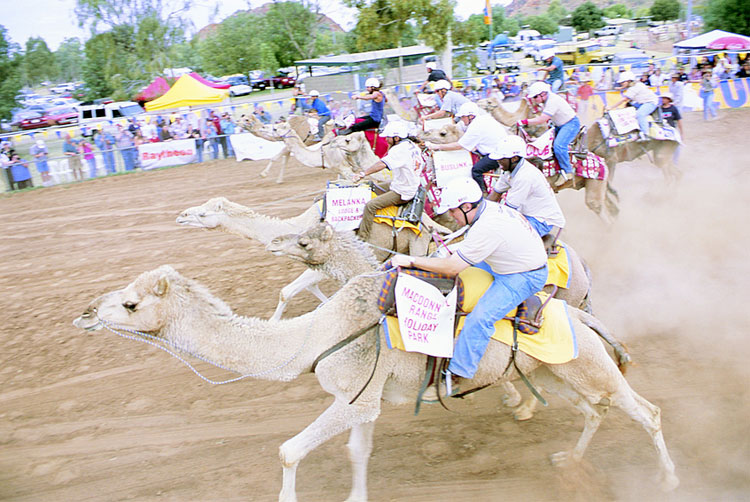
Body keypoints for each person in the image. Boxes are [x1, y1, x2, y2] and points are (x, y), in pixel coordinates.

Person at [390, 177, 547, 383]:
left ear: (466, 206)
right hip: (504, 261)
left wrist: (411, 260)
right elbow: (471, 245)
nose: (451, 216)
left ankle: (459, 373)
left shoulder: (488, 225)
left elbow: (452, 268)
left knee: (480, 318)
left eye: (453, 211)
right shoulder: (486, 209)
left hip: (523, 275)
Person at [351, 121, 424, 242]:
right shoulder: (411, 145)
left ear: (396, 138)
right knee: (372, 187)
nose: (386, 140)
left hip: (403, 191)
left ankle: (362, 239)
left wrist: (364, 173)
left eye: (388, 137)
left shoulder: (400, 150)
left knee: (370, 206)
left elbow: (382, 164)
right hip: (405, 183)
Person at [487, 135, 565, 240]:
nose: (498, 161)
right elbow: (495, 195)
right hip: (526, 215)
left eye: (501, 158)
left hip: (541, 221)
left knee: (505, 237)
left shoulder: (525, 176)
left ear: (514, 158)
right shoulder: (507, 170)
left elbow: (509, 211)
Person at [425, 102, 507, 192]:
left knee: (476, 170)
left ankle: (482, 193)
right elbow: (458, 126)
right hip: (497, 148)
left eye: (463, 117)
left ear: (470, 116)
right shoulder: (480, 119)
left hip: (499, 154)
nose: (462, 119)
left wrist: (436, 146)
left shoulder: (476, 126)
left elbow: (459, 146)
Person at [519, 81, 580, 187]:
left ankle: (567, 172)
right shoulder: (547, 101)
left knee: (559, 146)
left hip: (570, 124)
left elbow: (542, 119)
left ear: (543, 94)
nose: (534, 100)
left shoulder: (552, 101)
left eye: (535, 97)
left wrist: (525, 122)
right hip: (560, 125)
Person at [606, 71, 659, 141]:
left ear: (628, 81)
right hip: (641, 102)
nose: (621, 84)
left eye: (622, 82)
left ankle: (645, 134)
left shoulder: (634, 87)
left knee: (640, 114)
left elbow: (624, 99)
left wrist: (611, 107)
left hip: (650, 102)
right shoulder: (635, 86)